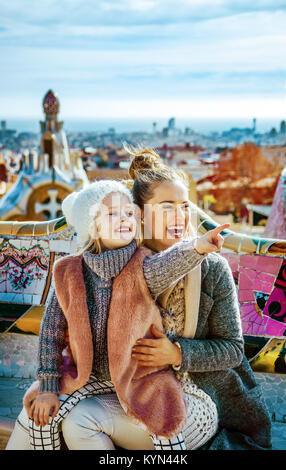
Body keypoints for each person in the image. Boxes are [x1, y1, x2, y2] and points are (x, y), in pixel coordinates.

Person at [6, 179, 228, 451]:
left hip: (138, 382)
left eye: (128, 213)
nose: (124, 219)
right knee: (35, 416)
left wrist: (199, 247)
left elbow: (169, 264)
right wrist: (48, 387)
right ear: (93, 226)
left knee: (79, 421)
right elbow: (50, 335)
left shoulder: (142, 265)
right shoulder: (68, 272)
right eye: (112, 214)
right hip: (88, 378)